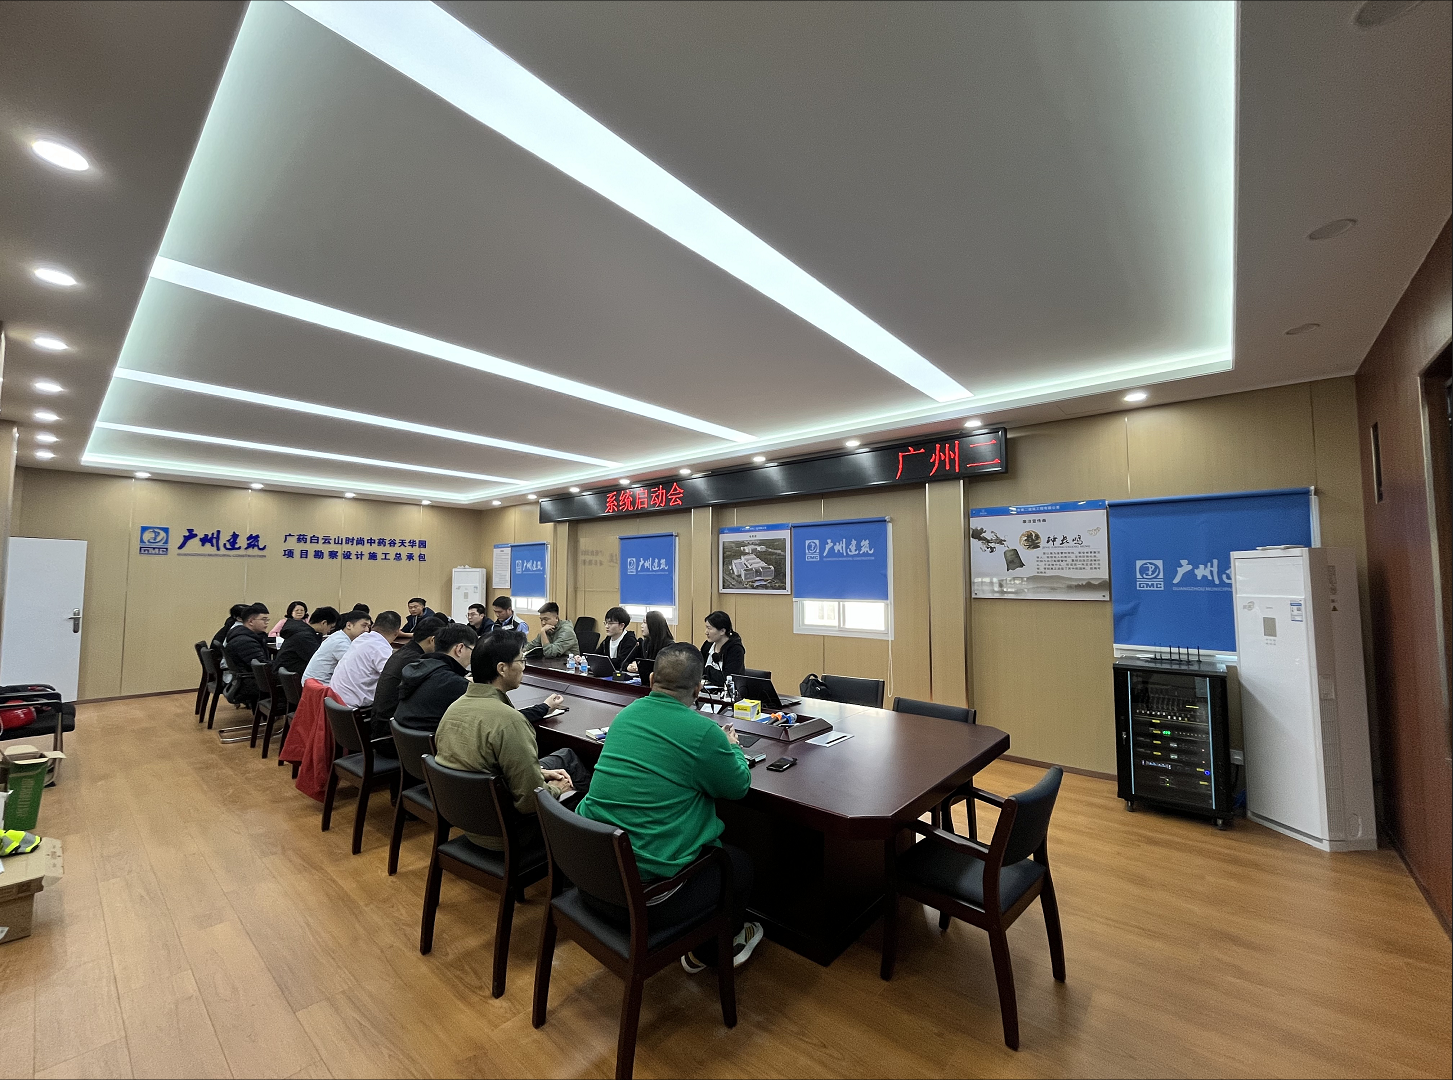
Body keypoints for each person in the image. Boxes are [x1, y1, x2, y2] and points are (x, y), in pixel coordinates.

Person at [578, 643, 762, 972]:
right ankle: (712, 951)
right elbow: (738, 787)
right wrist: (732, 746)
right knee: (740, 865)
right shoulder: (704, 732)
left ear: (651, 679)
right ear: (698, 689)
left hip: (593, 876)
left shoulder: (625, 716)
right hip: (647, 899)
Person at [434, 631, 586, 850]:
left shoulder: (453, 709)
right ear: (502, 669)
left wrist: (538, 772)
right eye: (521, 660)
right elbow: (529, 802)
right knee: (580, 784)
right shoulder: (510, 721)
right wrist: (556, 789)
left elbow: (477, 766)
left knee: (565, 757)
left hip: (470, 823)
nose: (524, 667)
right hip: (510, 834)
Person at [394, 623, 477, 733]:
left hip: (404, 739)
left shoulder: (419, 668)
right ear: (459, 648)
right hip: (434, 741)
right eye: (473, 651)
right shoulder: (454, 684)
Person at [374, 616, 444, 724]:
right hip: (392, 727)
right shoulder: (417, 661)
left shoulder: (403, 652)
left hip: (381, 720)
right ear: (432, 640)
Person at [331, 609, 402, 710]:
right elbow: (393, 678)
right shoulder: (381, 647)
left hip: (334, 701)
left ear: (372, 627)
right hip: (352, 709)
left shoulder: (361, 639)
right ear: (396, 633)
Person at [302, 608, 371, 686]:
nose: (367, 630)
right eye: (364, 625)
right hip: (318, 686)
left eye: (368, 626)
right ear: (349, 625)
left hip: (316, 683)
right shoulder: (340, 642)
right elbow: (355, 667)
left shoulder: (340, 636)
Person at [222, 604, 272, 707]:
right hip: (248, 684)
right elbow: (262, 666)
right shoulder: (245, 641)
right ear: (251, 621)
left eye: (267, 620)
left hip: (243, 680)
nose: (266, 623)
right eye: (264, 619)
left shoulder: (243, 635)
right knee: (292, 683)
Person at [273, 606, 339, 677]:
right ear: (324, 623)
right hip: (290, 677)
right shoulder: (305, 637)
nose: (329, 631)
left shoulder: (303, 631)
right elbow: (318, 661)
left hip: (287, 675)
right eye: (331, 627)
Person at [700, 610, 746, 687]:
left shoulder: (735, 650)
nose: (706, 632)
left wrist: (707, 670)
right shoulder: (707, 645)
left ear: (722, 631)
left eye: (709, 628)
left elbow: (727, 679)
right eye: (706, 628)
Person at [625, 609, 674, 675]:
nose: (642, 626)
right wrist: (633, 665)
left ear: (654, 625)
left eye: (645, 623)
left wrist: (642, 668)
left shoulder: (669, 646)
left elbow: (665, 669)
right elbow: (636, 661)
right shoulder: (645, 643)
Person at [591, 606, 638, 670]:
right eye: (606, 623)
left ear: (621, 626)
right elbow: (596, 655)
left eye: (610, 623)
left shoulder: (630, 641)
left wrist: (602, 661)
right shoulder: (607, 640)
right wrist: (583, 658)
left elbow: (621, 662)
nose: (607, 626)